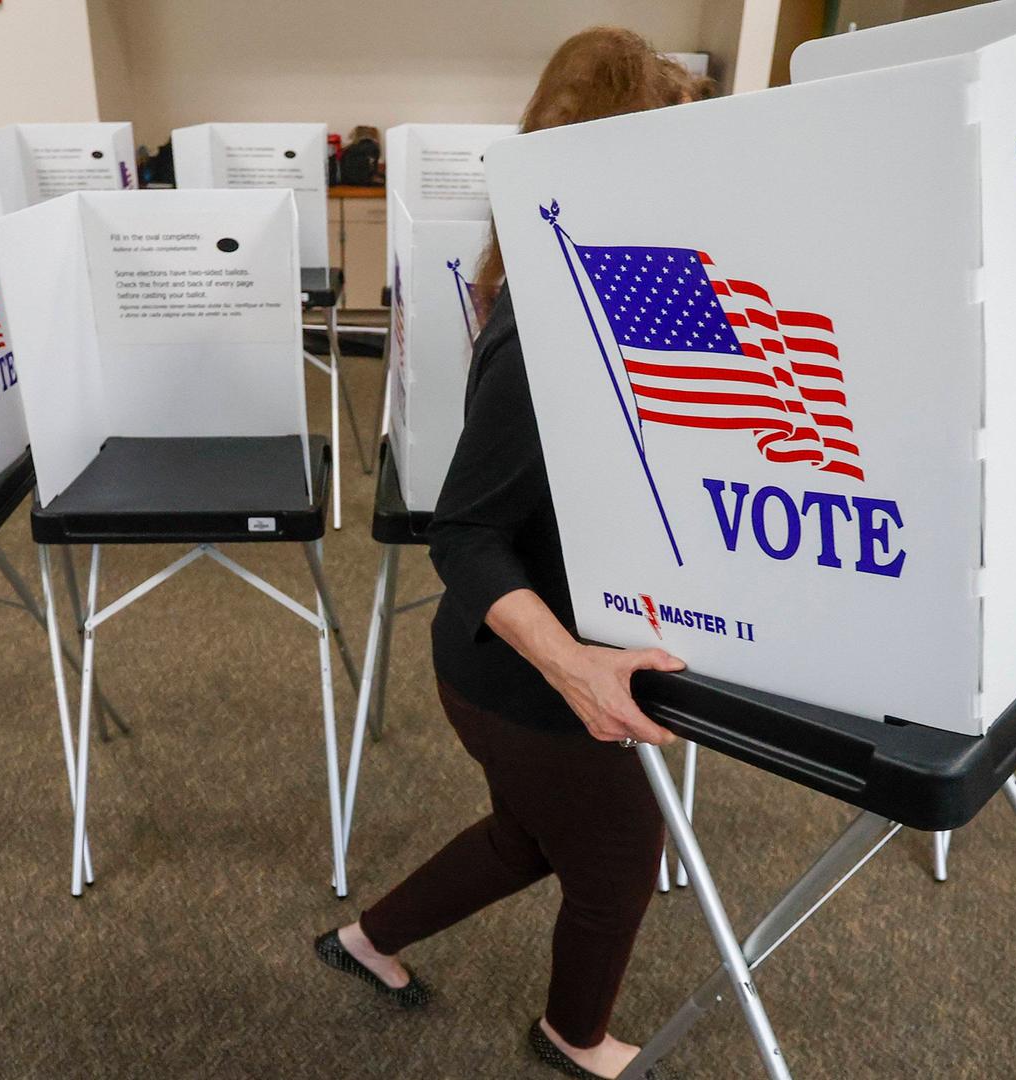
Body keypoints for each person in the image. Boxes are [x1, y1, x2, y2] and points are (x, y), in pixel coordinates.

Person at [314, 27, 697, 1080]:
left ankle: (365, 941)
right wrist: (572, 663)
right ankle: (573, 1040)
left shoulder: (574, 271)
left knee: (528, 839)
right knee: (618, 853)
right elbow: (466, 533)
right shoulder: (547, 323)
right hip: (516, 669)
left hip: (519, 654)